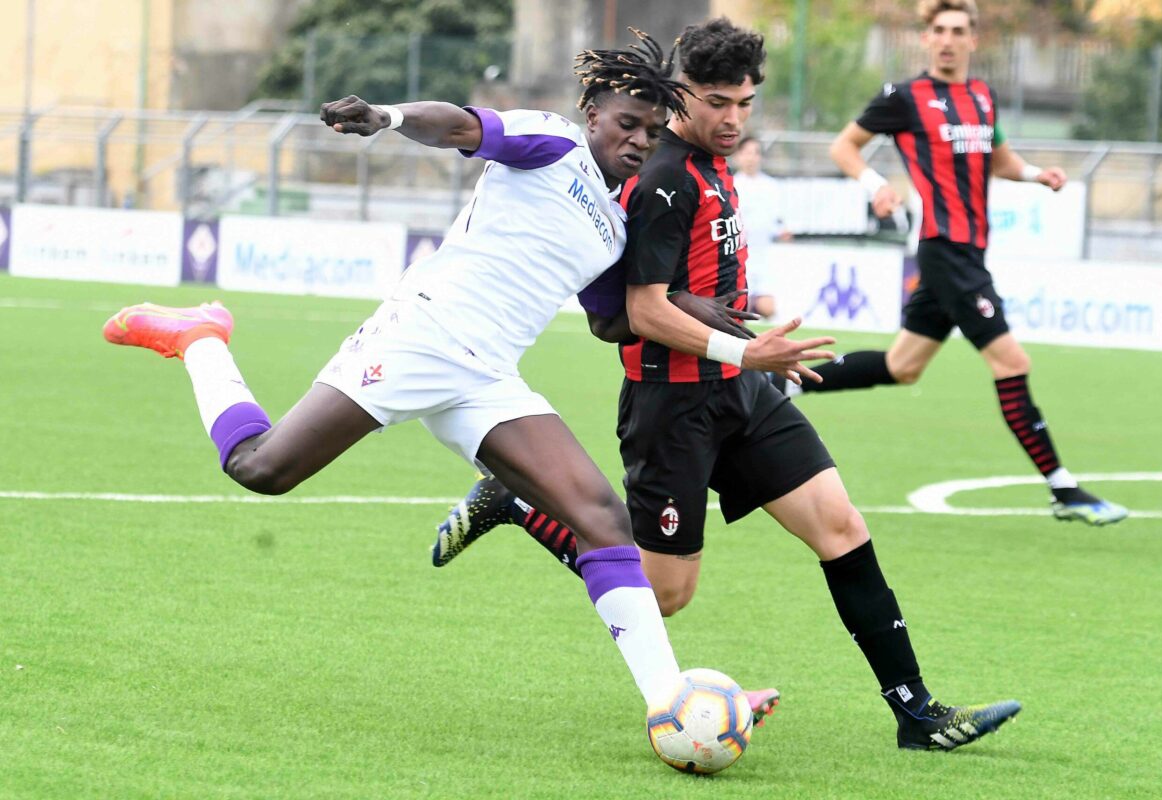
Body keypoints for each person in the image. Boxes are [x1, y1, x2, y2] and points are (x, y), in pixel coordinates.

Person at [100, 33, 762, 721]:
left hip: (489, 377)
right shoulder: (555, 142)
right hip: (425, 335)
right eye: (629, 124)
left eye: (653, 133)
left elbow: (610, 322)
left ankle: (671, 702)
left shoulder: (618, 226)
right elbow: (461, 126)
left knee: (601, 519)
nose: (639, 140)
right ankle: (201, 338)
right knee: (261, 468)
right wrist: (387, 117)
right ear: (593, 112)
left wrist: (688, 307)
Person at [431, 17, 1022, 752]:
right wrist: (747, 353)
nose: (734, 118)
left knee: (841, 528)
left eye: (745, 102)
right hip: (670, 406)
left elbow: (693, 285)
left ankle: (918, 715)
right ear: (682, 95)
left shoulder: (716, 164)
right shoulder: (663, 180)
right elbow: (642, 309)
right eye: (718, 102)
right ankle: (520, 503)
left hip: (742, 392)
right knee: (668, 596)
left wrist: (751, 324)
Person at [820, 0, 1126, 526]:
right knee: (1013, 363)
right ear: (926, 38)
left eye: (958, 30)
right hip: (944, 249)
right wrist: (876, 187)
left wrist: (1035, 175)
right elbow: (844, 147)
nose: (947, 39)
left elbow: (998, 158)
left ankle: (785, 383)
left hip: (970, 250)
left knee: (902, 366)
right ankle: (1063, 488)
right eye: (938, 30)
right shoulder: (904, 96)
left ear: (973, 40)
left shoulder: (983, 96)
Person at [731, 135, 791, 319]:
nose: (751, 158)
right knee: (740, 308)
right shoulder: (731, 185)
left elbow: (779, 220)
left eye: (755, 153)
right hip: (737, 257)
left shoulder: (771, 186)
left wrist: (783, 232)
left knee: (768, 309)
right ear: (738, 156)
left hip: (764, 257)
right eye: (746, 153)